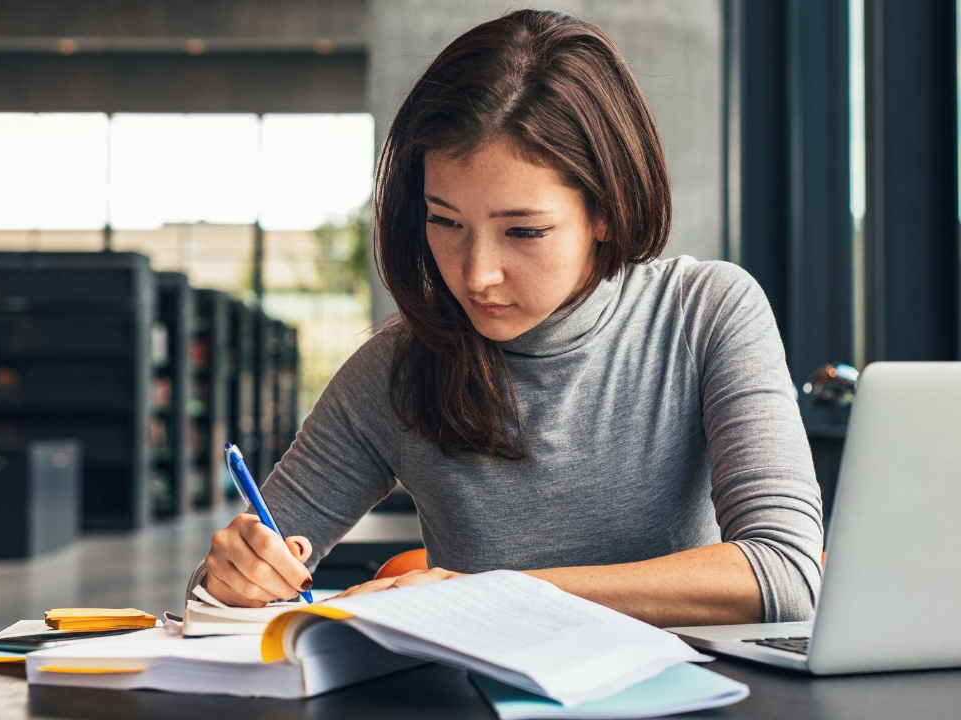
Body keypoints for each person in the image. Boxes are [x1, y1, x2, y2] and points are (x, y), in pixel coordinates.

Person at [188, 9, 823, 627]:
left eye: (523, 231)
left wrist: (490, 595)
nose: (476, 274)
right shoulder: (394, 369)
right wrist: (233, 579)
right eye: (445, 221)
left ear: (608, 210)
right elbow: (210, 603)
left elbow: (786, 573)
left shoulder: (704, 313)